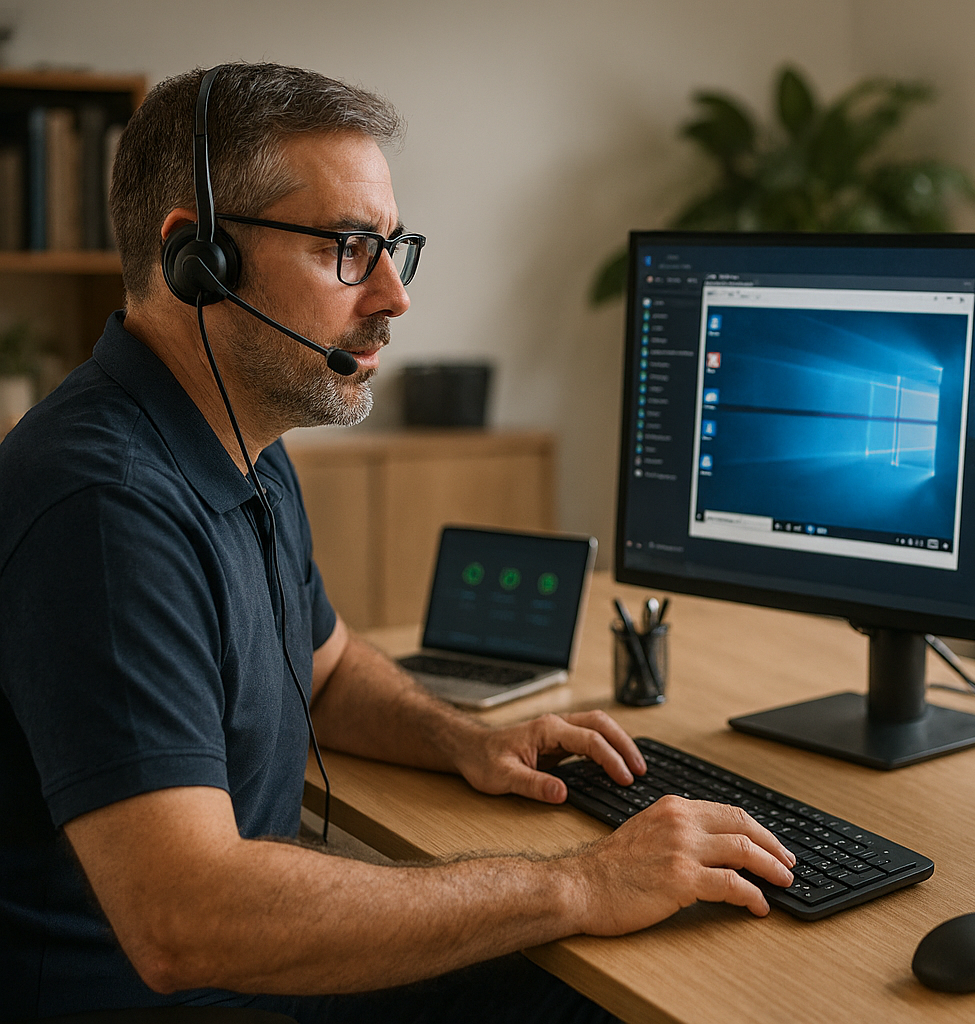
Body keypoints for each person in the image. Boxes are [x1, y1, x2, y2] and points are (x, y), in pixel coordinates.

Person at [0, 63, 795, 1022]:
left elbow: (325, 672)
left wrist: (467, 742)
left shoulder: (240, 439)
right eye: (346, 248)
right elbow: (186, 919)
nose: (394, 295)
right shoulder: (102, 506)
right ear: (197, 258)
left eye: (392, 247)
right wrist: (583, 881)